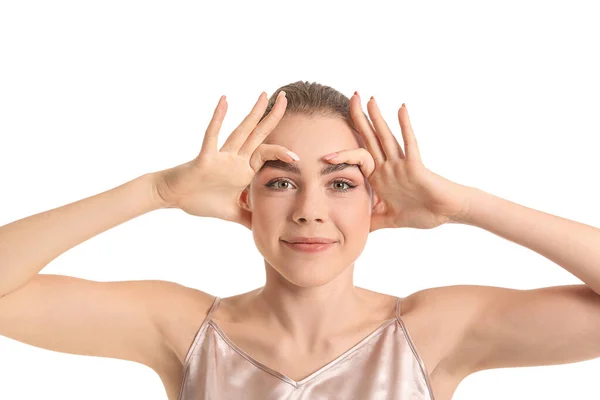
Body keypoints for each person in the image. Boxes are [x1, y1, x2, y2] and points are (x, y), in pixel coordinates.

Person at [1, 81, 600, 400]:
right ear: (246, 199)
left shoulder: (434, 331)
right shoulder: (185, 331)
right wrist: (159, 191)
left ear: (377, 202)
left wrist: (463, 205)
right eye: (281, 181)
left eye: (340, 182)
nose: (310, 211)